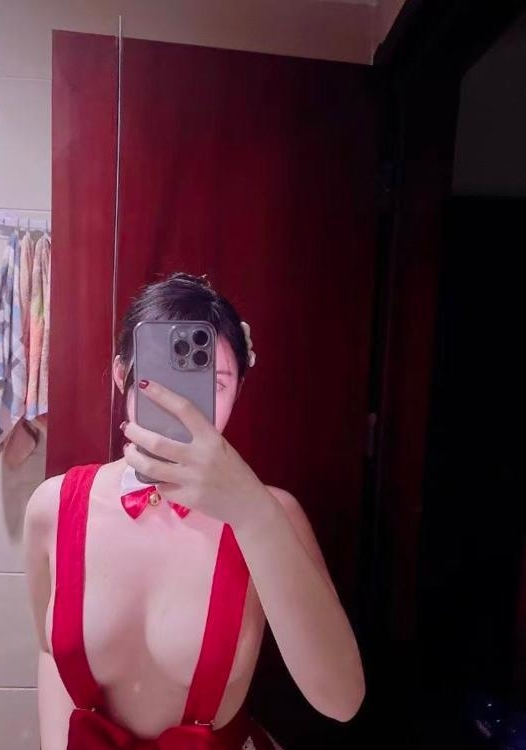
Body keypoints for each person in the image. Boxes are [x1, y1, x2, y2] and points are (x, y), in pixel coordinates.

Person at [24, 271, 365, 749]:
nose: (184, 405)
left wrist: (252, 513)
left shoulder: (272, 515)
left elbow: (342, 701)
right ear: (122, 375)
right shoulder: (53, 507)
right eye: (162, 378)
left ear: (239, 390)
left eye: (215, 383)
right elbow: (49, 651)